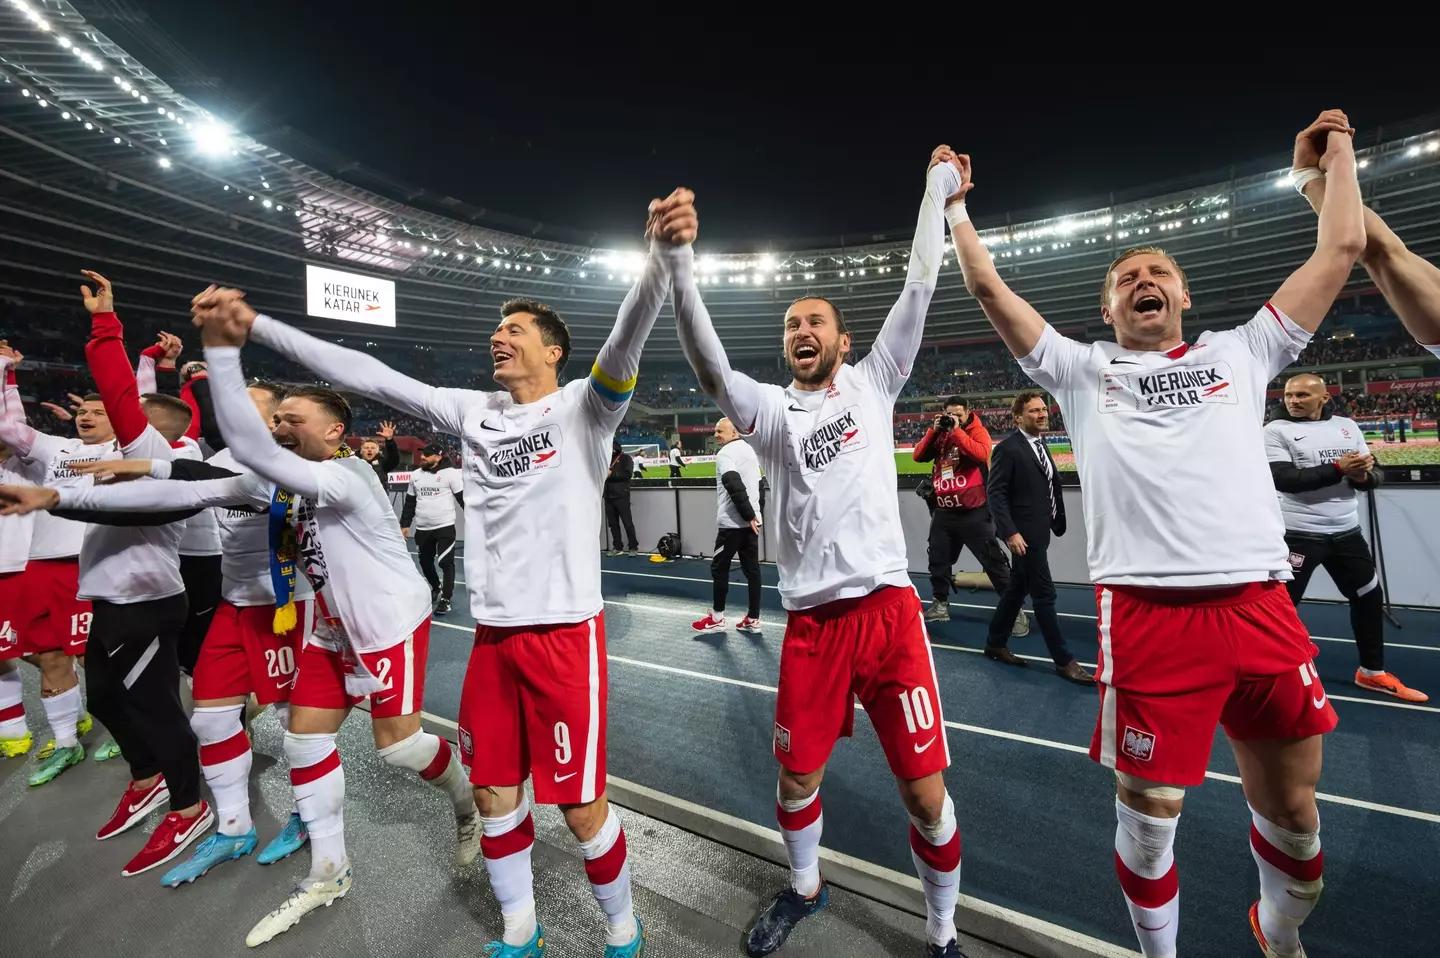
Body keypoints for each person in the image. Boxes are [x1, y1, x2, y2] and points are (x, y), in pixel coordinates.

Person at [192, 189, 694, 958]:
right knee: (494, 792)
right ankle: (521, 930)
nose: (499, 337)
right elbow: (367, 372)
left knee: (583, 809)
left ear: (553, 350)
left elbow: (626, 340)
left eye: (516, 329)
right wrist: (257, 327)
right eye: (496, 328)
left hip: (564, 637)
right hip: (494, 640)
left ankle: (623, 933)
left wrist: (662, 257)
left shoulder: (585, 411)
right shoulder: (472, 410)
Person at [949, 110, 1364, 958]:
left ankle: (1277, 935)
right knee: (1150, 829)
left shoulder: (1243, 352)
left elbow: (1341, 249)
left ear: (1182, 297)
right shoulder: (1080, 368)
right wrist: (952, 206)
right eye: (1129, 274)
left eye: (1159, 271)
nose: (1145, 279)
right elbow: (989, 289)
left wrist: (1336, 159)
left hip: (1259, 605)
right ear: (1109, 306)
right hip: (1148, 616)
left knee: (1296, 821)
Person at [672, 148, 969, 958]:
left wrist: (935, 191)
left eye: (815, 322)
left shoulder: (876, 383)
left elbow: (919, 284)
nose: (801, 331)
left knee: (924, 795)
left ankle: (942, 933)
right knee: (796, 780)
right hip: (811, 628)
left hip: (886, 615)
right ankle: (805, 887)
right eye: (790, 325)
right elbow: (709, 368)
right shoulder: (769, 414)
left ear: (844, 339)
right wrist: (679, 269)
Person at [50, 381, 320, 886]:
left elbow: (189, 479)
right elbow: (190, 480)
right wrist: (141, 471)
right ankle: (233, 827)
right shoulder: (226, 459)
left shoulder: (300, 468)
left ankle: (313, 816)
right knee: (211, 720)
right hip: (232, 603)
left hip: (287, 605)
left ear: (280, 421)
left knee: (297, 728)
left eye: (255, 408)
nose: (234, 412)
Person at [1266, 374, 1425, 702]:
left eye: (1302, 396)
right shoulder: (1274, 431)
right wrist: (1339, 469)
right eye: (1289, 395)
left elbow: (1373, 473)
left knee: (1368, 598)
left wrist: (1363, 476)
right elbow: (1284, 480)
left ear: (1324, 398)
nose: (1293, 401)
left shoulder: (1347, 426)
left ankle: (1372, 673)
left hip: (1347, 533)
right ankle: (1271, 678)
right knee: (1280, 609)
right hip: (1298, 536)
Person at [981, 393, 1091, 683]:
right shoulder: (1008, 449)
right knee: (1045, 595)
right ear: (1018, 417)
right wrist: (1010, 532)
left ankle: (995, 643)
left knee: (1017, 590)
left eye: (1044, 409)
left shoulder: (1040, 445)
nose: (1042, 414)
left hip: (1040, 532)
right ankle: (1064, 661)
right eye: (1034, 411)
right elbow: (995, 494)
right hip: (1024, 537)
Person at [912, 396, 1025, 636]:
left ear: (967, 413)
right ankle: (940, 604)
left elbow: (981, 453)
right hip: (944, 511)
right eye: (949, 414)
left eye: (958, 415)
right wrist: (933, 432)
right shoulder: (940, 432)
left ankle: (1015, 610)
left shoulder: (977, 431)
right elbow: (918, 456)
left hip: (974, 511)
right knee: (938, 560)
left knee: (994, 562)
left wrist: (957, 432)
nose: (953, 418)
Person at [691, 417, 763, 635]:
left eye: (719, 431)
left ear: (734, 433)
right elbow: (759, 486)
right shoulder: (749, 451)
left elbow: (732, 482)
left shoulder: (725, 454)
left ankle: (717, 618)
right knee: (752, 570)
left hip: (732, 525)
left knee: (719, 568)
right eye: (715, 431)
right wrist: (756, 516)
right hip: (751, 524)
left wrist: (748, 515)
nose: (715, 435)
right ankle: (753, 619)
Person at [400, 442, 464, 614]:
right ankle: (436, 587)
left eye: (427, 455)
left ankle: (446, 599)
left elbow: (462, 498)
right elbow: (410, 502)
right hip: (422, 528)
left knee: (446, 562)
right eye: (423, 454)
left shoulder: (450, 474)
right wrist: (405, 525)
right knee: (424, 562)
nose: (422, 457)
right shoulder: (415, 476)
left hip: (444, 526)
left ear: (438, 456)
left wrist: (476, 519)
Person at [605, 439, 639, 556]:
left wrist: (612, 474)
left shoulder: (626, 459)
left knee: (627, 522)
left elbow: (628, 474)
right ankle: (617, 546)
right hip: (608, 495)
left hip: (621, 495)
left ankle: (633, 547)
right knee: (613, 524)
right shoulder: (606, 459)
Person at [358, 421, 399, 488]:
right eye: (366, 447)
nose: (369, 450)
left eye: (373, 448)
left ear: (377, 451)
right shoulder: (354, 464)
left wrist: (389, 440)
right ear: (361, 451)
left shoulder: (383, 464)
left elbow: (394, 458)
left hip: (379, 497)